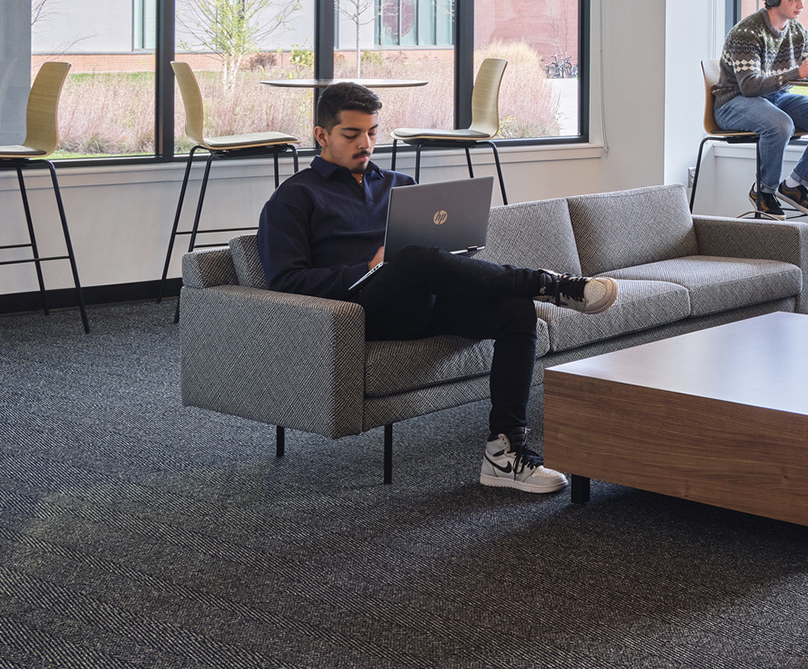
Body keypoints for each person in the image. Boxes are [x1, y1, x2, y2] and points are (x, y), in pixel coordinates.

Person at [258, 81, 618, 494]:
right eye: (352, 134)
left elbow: (433, 259)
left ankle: (505, 453)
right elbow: (285, 281)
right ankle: (546, 283)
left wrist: (454, 254)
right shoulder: (293, 198)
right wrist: (368, 267)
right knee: (413, 257)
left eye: (372, 132)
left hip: (422, 301)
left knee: (516, 312)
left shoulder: (398, 183)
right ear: (321, 135)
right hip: (360, 312)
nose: (366, 144)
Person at [716, 0, 808, 220]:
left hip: (776, 98)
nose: (801, 5)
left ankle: (796, 184)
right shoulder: (747, 32)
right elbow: (749, 85)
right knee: (780, 124)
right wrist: (794, 73)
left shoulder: (796, 31)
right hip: (734, 102)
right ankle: (764, 191)